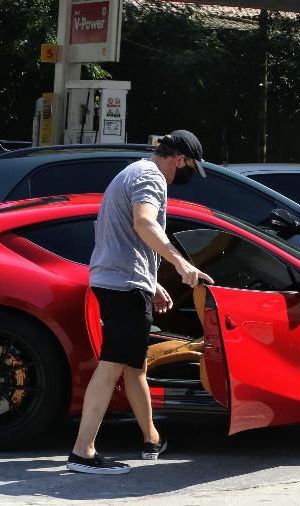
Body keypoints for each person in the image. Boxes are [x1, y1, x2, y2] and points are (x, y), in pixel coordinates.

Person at [67, 130, 214, 475]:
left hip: (121, 281)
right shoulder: (151, 177)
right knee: (114, 364)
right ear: (179, 159)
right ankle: (82, 451)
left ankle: (151, 438)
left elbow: (130, 237)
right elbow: (144, 223)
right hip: (122, 284)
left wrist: (151, 284)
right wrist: (182, 264)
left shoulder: (134, 171)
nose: (187, 173)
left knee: (134, 366)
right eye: (189, 165)